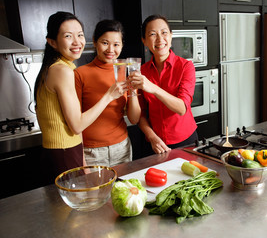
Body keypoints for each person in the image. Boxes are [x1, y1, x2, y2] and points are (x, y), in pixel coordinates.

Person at [34, 12, 123, 176]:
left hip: (62, 150)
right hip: (64, 152)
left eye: (80, 35)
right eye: (68, 36)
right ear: (52, 42)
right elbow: (77, 125)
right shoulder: (62, 71)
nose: (77, 42)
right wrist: (109, 96)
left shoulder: (55, 67)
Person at [74, 20, 141, 166]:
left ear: (122, 45)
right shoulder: (80, 74)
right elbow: (75, 122)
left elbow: (134, 119)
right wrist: (82, 161)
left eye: (116, 44)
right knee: (96, 190)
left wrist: (133, 91)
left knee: (124, 188)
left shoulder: (126, 71)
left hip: (121, 148)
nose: (111, 49)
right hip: (91, 152)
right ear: (94, 41)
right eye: (105, 43)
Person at [129, 14, 198, 154]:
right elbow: (141, 114)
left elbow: (182, 108)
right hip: (154, 143)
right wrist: (152, 137)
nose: (160, 39)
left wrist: (153, 88)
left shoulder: (186, 66)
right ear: (144, 41)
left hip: (186, 141)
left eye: (164, 32)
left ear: (171, 36)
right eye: (153, 34)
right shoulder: (141, 71)